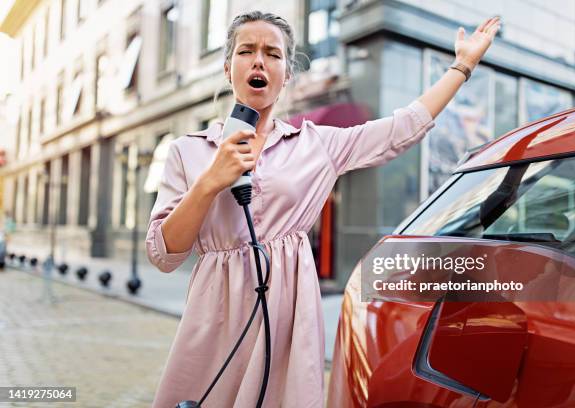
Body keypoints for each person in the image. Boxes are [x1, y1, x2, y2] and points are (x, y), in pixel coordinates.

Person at [146, 10, 500, 408]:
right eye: (247, 51)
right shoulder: (187, 150)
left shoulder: (317, 144)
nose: (259, 60)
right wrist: (210, 182)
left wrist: (462, 65)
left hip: (287, 315)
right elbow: (163, 254)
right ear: (229, 69)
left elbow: (402, 128)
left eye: (273, 54)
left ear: (286, 75)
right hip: (215, 314)